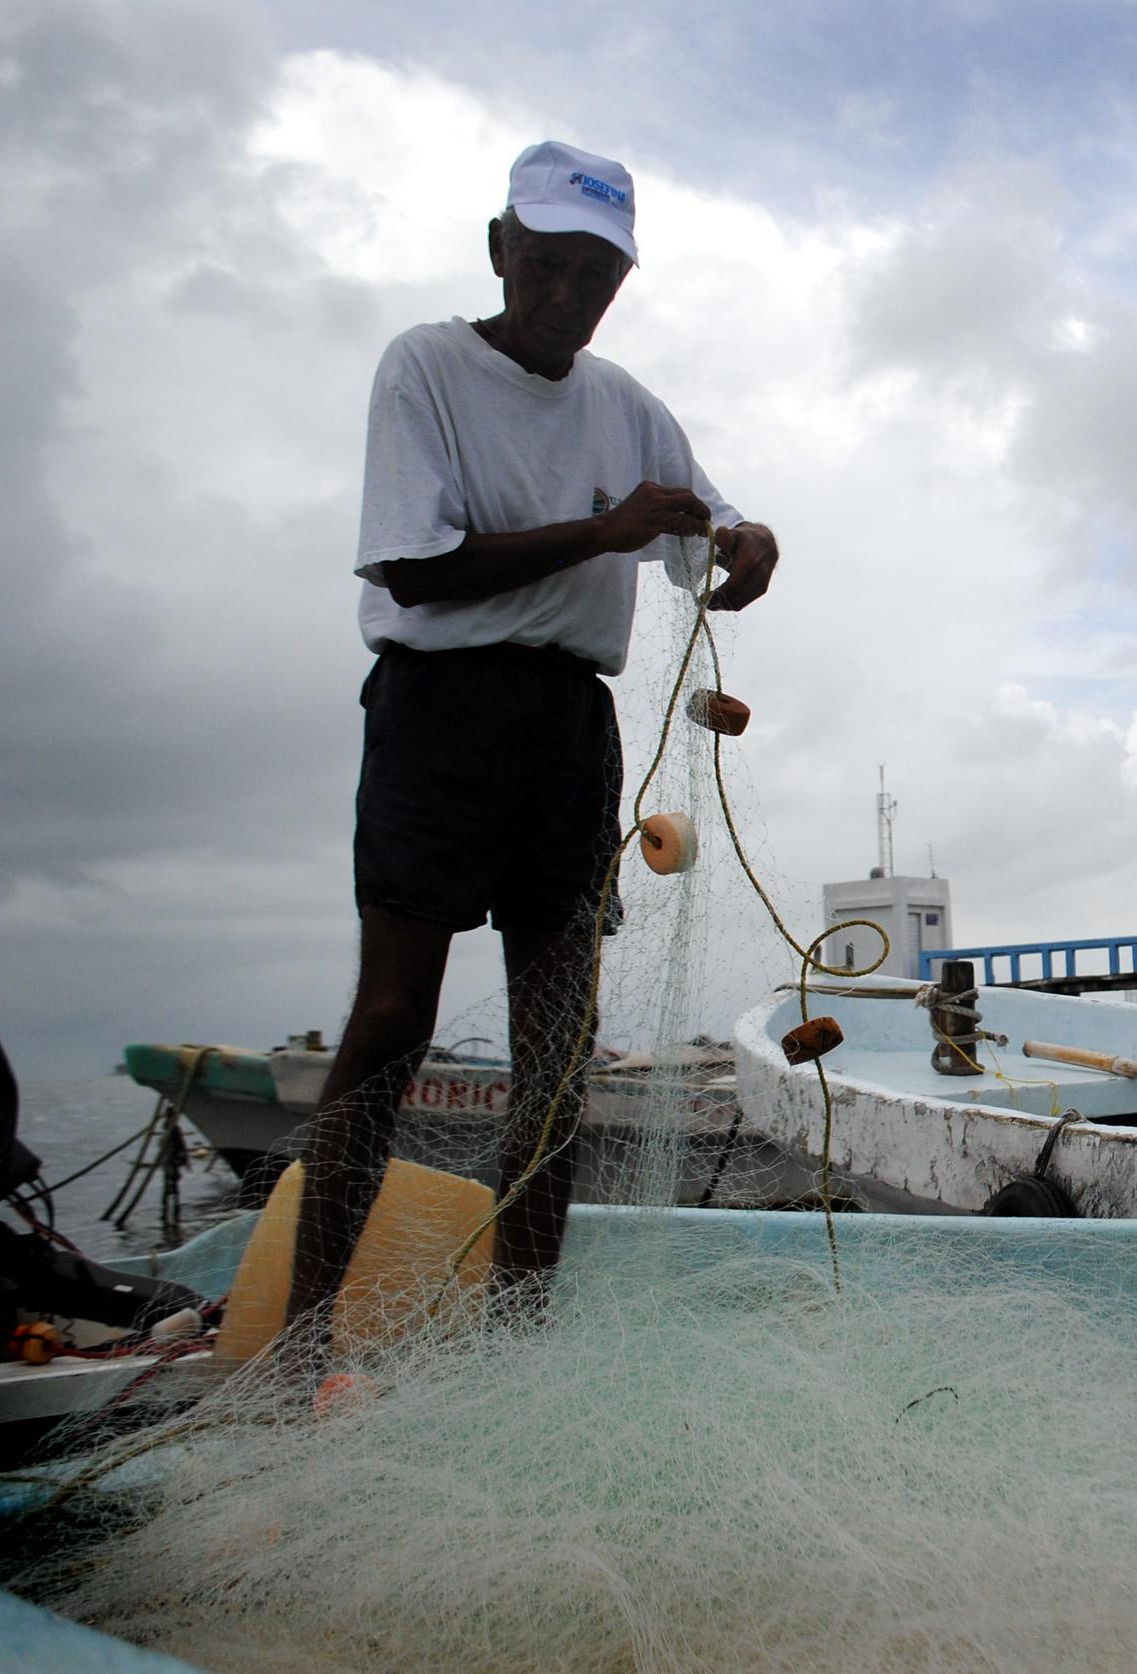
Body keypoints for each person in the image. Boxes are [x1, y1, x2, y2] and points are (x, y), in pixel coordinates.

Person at [285, 141, 779, 1343]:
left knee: (557, 1046)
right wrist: (605, 531)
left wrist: (750, 547)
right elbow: (412, 567)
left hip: (568, 724)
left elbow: (711, 524)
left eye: (596, 279)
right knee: (395, 1014)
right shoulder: (427, 368)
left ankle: (521, 1337)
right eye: (547, 267)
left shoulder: (624, 404)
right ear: (501, 248)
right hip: (440, 713)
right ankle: (300, 1341)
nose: (567, 297)